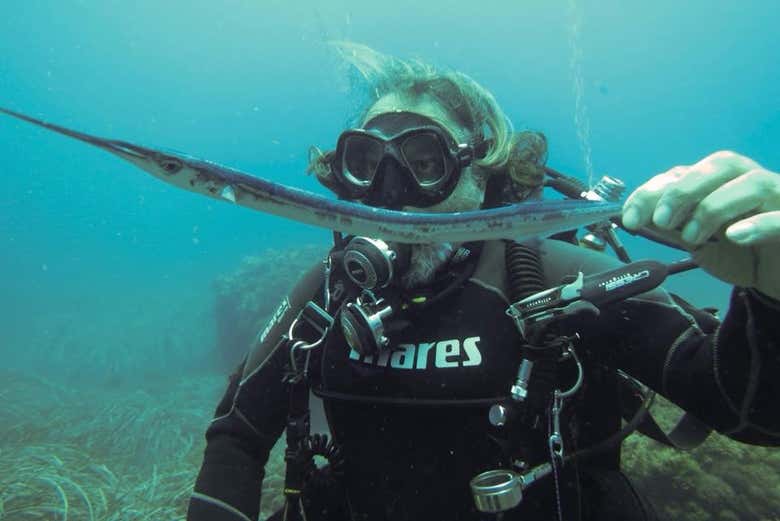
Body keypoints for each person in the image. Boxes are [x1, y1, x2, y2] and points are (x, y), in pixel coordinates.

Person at [186, 43, 780, 521]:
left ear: (482, 174)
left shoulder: (561, 281)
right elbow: (236, 436)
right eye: (368, 164)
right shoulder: (322, 301)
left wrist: (772, 292)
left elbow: (748, 413)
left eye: (425, 163)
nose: (393, 195)